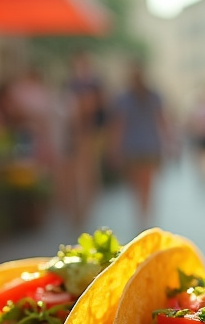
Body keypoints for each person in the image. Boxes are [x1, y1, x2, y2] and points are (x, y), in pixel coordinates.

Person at [112, 61, 168, 230]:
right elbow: (162, 122)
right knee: (148, 185)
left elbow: (119, 126)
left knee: (137, 186)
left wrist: (115, 148)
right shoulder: (152, 96)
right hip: (149, 146)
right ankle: (145, 217)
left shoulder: (125, 98)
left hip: (133, 148)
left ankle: (142, 218)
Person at [63, 53, 108, 226]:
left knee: (88, 172)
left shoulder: (92, 84)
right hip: (77, 134)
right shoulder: (73, 84)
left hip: (90, 133)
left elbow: (98, 108)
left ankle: (86, 209)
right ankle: (79, 209)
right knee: (77, 173)